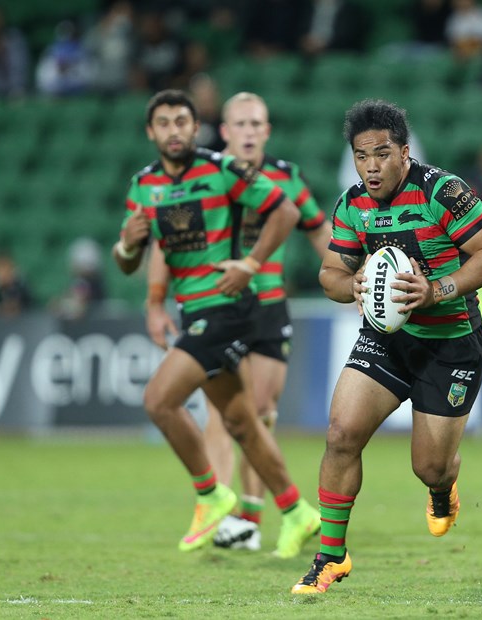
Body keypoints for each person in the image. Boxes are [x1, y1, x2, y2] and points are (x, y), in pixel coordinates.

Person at [291, 99, 482, 594]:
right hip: (388, 339)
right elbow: (329, 274)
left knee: (428, 466)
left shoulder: (442, 192)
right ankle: (331, 557)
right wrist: (351, 285)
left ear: (405, 153)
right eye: (361, 156)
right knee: (341, 433)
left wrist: (436, 290)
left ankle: (443, 485)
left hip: (450, 343)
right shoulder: (352, 204)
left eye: (382, 154)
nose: (371, 167)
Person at [113, 89, 319, 555]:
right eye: (163, 123)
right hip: (193, 311)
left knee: (159, 400)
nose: (173, 131)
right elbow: (129, 260)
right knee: (242, 421)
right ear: (150, 132)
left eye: (181, 121)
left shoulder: (221, 169)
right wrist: (127, 246)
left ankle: (210, 494)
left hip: (226, 309)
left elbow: (285, 211)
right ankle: (296, 511)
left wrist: (251, 263)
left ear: (196, 127)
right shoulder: (143, 186)